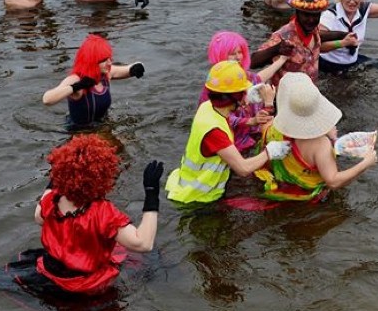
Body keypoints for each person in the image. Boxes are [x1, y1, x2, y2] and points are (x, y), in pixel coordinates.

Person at [32, 134, 164, 295]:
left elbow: (38, 217)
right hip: (86, 285)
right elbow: (143, 244)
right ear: (103, 175)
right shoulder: (102, 212)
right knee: (151, 260)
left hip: (50, 272)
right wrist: (152, 193)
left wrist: (57, 178)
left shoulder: (53, 198)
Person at [165, 61, 292, 204]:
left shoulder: (207, 107)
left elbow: (230, 112)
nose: (246, 94)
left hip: (186, 183)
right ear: (233, 97)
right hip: (199, 198)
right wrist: (270, 152)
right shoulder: (215, 133)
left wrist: (246, 100)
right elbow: (243, 168)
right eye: (243, 92)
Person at [255, 72, 378, 201]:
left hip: (276, 187)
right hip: (305, 199)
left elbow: (264, 129)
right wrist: (366, 163)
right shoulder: (320, 145)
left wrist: (268, 103)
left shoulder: (275, 127)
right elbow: (333, 181)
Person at [199, 31, 288, 153]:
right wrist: (251, 120)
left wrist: (281, 60)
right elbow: (219, 117)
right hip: (233, 145)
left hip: (253, 136)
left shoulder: (242, 75)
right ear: (220, 56)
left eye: (240, 52)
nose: (238, 57)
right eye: (232, 54)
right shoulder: (214, 87)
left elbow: (258, 78)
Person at [42, 34, 145, 129]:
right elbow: (47, 99)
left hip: (102, 126)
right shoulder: (76, 79)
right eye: (104, 60)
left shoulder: (106, 74)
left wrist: (137, 67)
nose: (109, 63)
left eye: (109, 58)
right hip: (79, 133)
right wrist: (76, 87)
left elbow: (130, 68)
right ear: (92, 61)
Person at [250, 0, 343, 87]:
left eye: (315, 15)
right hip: (285, 97)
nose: (311, 20)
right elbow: (252, 62)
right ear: (297, 13)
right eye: (306, 15)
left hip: (309, 92)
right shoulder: (284, 36)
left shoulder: (314, 29)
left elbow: (322, 35)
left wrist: (343, 35)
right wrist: (276, 49)